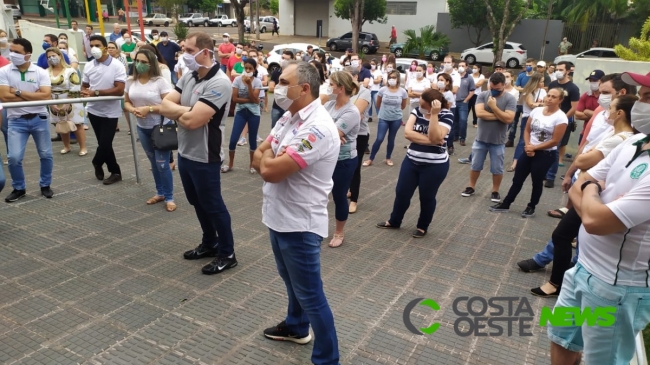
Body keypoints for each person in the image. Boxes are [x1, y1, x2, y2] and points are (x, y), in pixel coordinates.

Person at [545, 71, 650, 365]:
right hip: (582, 271)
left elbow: (595, 222)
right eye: (640, 96)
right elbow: (583, 180)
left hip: (617, 288)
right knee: (561, 338)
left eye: (647, 97)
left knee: (602, 360)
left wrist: (590, 193)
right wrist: (593, 191)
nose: (639, 104)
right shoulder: (633, 143)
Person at [252, 60, 340, 365]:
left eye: (283, 81)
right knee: (292, 283)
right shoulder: (289, 118)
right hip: (278, 216)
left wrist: (267, 159)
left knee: (312, 295)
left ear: (304, 88)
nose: (276, 85)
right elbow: (257, 158)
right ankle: (296, 326)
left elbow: (271, 171)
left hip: (300, 224)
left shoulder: (317, 128)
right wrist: (266, 159)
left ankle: (327, 360)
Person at [518, 93, 637, 276]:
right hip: (585, 186)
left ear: (620, 112)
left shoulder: (621, 139)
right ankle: (553, 263)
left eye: (610, 106)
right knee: (568, 231)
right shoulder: (611, 131)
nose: (606, 109)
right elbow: (584, 153)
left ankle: (566, 270)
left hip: (594, 192)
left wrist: (583, 160)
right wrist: (571, 172)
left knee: (575, 233)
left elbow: (583, 160)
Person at [160, 31, 237, 275]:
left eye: (190, 51)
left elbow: (193, 122)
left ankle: (227, 253)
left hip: (206, 155)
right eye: (184, 50)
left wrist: (182, 113)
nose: (184, 55)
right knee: (197, 202)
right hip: (185, 152)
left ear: (206, 52)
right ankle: (209, 242)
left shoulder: (219, 82)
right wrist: (189, 111)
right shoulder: (190, 76)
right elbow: (164, 105)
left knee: (213, 205)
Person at [377, 89, 453, 238]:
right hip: (411, 161)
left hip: (435, 166)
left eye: (424, 104)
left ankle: (422, 226)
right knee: (401, 193)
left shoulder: (446, 115)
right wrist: (433, 140)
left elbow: (435, 134)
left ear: (433, 105)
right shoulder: (417, 111)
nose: (420, 106)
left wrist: (434, 115)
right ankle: (395, 220)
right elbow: (408, 133)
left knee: (427, 197)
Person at [490, 88, 568, 217]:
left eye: (553, 97)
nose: (549, 98)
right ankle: (506, 204)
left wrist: (535, 148)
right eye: (548, 95)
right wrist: (528, 146)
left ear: (560, 100)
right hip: (529, 149)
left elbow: (555, 141)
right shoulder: (536, 111)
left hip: (545, 154)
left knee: (536, 182)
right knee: (517, 179)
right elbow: (527, 131)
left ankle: (531, 206)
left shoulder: (561, 117)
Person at [0, 38, 54, 202]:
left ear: (28, 55)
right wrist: (32, 96)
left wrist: (16, 92)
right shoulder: (4, 71)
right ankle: (19, 187)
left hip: (39, 118)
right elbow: (3, 97)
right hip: (16, 120)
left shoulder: (40, 72)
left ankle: (45, 185)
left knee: (46, 155)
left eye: (17, 52)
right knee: (14, 157)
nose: (12, 55)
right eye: (11, 51)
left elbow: (46, 95)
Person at [124, 49, 176, 212]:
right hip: (142, 127)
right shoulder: (130, 81)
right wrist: (133, 110)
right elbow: (125, 102)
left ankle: (169, 196)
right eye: (137, 61)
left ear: (151, 64)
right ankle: (159, 192)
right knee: (153, 163)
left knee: (162, 164)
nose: (139, 64)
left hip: (160, 127)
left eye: (143, 62)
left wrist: (149, 109)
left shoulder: (160, 82)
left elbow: (169, 106)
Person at [460, 72, 517, 202]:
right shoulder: (483, 95)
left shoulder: (510, 99)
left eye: (497, 89)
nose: (494, 91)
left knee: (497, 168)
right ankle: (471, 186)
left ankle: (495, 190)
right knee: (475, 165)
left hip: (498, 141)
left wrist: (493, 107)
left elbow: (509, 119)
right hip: (480, 138)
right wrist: (500, 116)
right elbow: (479, 113)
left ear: (504, 85)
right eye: (492, 88)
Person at [82, 35, 127, 185]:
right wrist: (85, 92)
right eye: (91, 45)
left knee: (106, 143)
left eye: (97, 45)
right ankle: (115, 172)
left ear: (105, 47)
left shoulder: (116, 65)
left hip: (110, 111)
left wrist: (96, 92)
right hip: (94, 110)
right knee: (103, 143)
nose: (94, 48)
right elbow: (85, 86)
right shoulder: (89, 65)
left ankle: (96, 161)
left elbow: (119, 90)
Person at [323, 71, 360, 248]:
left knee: (339, 196)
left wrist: (330, 132)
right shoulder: (329, 105)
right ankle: (318, 227)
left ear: (341, 88)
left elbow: (328, 133)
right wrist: (331, 133)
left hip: (343, 160)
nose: (329, 87)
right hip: (324, 157)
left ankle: (339, 232)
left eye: (331, 84)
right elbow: (314, 127)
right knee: (319, 195)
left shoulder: (352, 111)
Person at [544, 61, 580, 187]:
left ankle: (550, 177)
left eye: (561, 69)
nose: (558, 71)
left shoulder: (573, 88)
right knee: (545, 146)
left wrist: (562, 119)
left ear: (568, 71)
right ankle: (543, 172)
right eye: (557, 69)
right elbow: (547, 101)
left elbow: (574, 108)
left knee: (555, 148)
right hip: (548, 121)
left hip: (562, 123)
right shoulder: (553, 84)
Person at [223, 58, 262, 173]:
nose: (248, 70)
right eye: (246, 68)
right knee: (233, 139)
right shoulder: (237, 80)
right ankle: (230, 164)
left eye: (250, 68)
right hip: (240, 112)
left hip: (254, 113)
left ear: (254, 69)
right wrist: (251, 100)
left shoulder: (257, 81)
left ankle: (252, 165)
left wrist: (249, 85)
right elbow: (235, 99)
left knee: (252, 140)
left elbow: (255, 99)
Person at [47, 47, 86, 156]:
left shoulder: (70, 70)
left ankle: (83, 147)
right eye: (49, 57)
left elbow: (75, 86)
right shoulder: (46, 72)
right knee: (61, 124)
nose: (51, 58)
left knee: (77, 124)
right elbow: (44, 88)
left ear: (60, 56)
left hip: (71, 100)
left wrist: (68, 102)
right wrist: (51, 102)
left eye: (53, 56)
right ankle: (66, 146)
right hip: (54, 100)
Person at [364, 69, 407, 167]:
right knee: (379, 138)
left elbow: (403, 105)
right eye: (390, 78)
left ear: (398, 79)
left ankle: (388, 157)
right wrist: (385, 111)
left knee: (391, 139)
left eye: (394, 78)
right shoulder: (383, 90)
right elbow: (378, 104)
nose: (391, 79)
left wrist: (395, 112)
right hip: (384, 117)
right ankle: (371, 158)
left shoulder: (402, 91)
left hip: (396, 118)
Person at [508, 73, 546, 172]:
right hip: (528, 117)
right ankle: (515, 162)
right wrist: (542, 104)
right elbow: (531, 105)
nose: (543, 83)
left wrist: (539, 104)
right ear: (536, 82)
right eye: (541, 81)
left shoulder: (543, 91)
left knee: (537, 140)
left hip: (539, 118)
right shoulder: (528, 92)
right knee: (523, 140)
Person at [348, 74, 371, 214]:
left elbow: (356, 113)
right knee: (344, 164)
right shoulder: (343, 90)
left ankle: (354, 200)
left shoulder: (364, 92)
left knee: (355, 167)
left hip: (359, 134)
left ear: (356, 77)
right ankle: (349, 189)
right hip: (343, 134)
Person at [575, 69, 604, 145]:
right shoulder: (586, 95)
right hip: (585, 132)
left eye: (594, 80)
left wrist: (587, 111)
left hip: (600, 135)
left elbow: (606, 116)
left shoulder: (605, 97)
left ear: (602, 81)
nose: (592, 83)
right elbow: (577, 115)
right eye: (590, 80)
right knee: (580, 154)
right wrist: (596, 115)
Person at [452, 60, 476, 147]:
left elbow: (472, 91)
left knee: (463, 120)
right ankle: (455, 136)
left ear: (466, 67)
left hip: (463, 102)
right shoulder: (454, 76)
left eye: (463, 66)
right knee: (455, 120)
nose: (460, 67)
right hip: (454, 101)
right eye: (459, 65)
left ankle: (462, 138)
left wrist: (466, 100)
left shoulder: (469, 78)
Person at [268, 50, 294, 128]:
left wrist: (278, 87)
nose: (283, 61)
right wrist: (284, 87)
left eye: (286, 59)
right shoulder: (276, 72)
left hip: (289, 108)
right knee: (274, 129)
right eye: (282, 58)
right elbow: (271, 88)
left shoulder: (295, 73)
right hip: (276, 106)